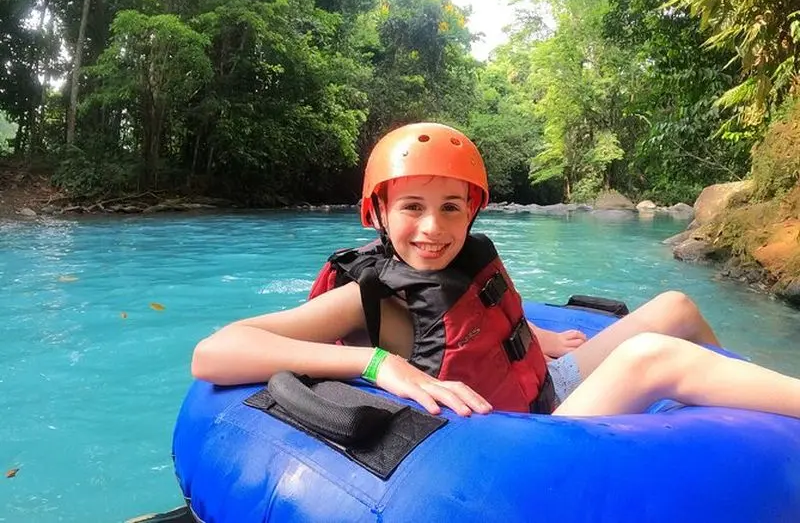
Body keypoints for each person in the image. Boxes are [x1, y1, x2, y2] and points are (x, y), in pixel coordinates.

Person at [192, 122, 800, 419]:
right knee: (655, 358)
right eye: (411, 207)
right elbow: (213, 353)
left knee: (675, 308)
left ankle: (738, 422)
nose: (432, 228)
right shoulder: (365, 295)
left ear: (472, 210)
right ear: (375, 212)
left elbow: (483, 329)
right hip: (520, 437)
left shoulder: (466, 264)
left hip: (543, 386)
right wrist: (377, 362)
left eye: (450, 207)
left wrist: (535, 337)